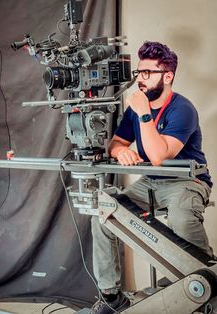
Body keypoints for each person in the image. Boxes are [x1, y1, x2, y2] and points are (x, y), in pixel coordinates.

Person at [90, 41, 214, 314]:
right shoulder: (136, 109)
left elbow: (159, 156)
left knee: (182, 218)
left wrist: (145, 112)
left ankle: (207, 292)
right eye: (139, 72)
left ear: (167, 76)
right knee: (103, 215)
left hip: (187, 181)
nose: (140, 79)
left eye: (148, 73)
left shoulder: (182, 109)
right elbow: (116, 143)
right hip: (151, 182)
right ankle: (111, 298)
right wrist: (121, 151)